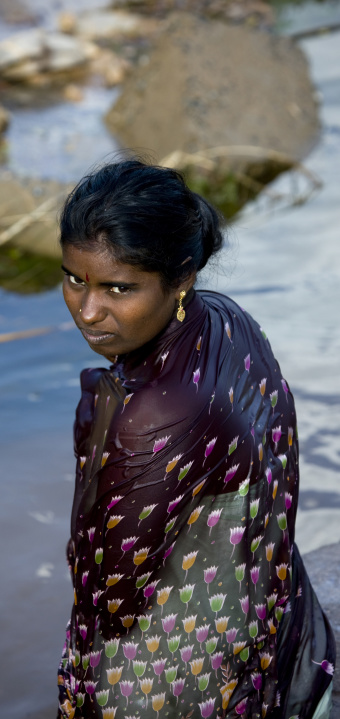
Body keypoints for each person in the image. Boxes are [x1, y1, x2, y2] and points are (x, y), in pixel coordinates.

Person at [56, 159, 335, 719]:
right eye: (73, 278)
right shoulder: (226, 319)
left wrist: (100, 429)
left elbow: (109, 596)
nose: (88, 310)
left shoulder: (153, 415)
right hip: (277, 632)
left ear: (181, 276)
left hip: (179, 681)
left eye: (119, 287)